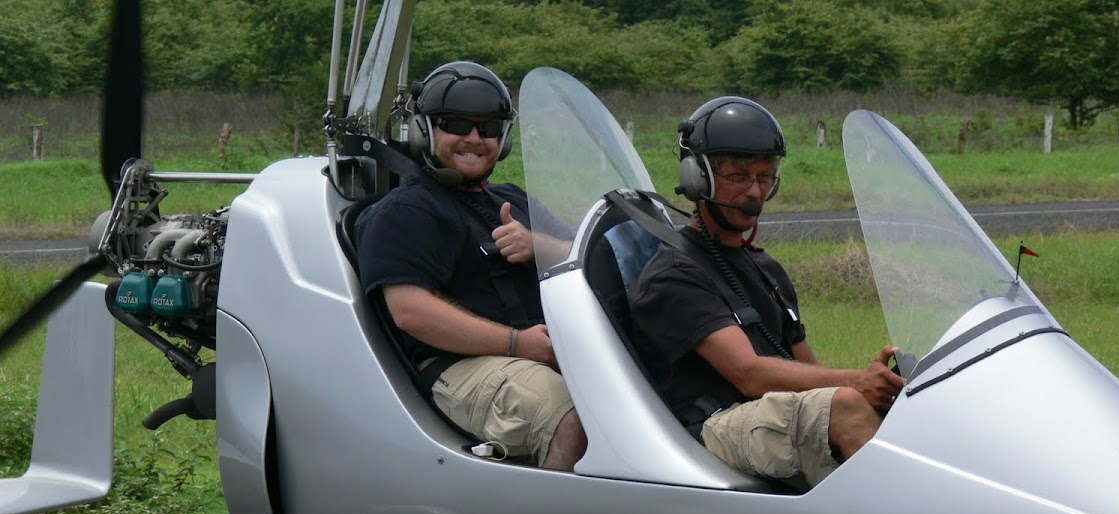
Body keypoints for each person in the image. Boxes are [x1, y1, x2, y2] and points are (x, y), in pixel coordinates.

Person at [628, 96, 903, 487]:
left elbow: (810, 369)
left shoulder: (764, 268)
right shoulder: (673, 274)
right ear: (698, 177)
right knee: (845, 405)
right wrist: (855, 382)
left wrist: (876, 385)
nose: (755, 191)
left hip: (767, 415)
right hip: (715, 426)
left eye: (765, 176)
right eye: (739, 176)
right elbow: (748, 373)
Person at [354, 61, 586, 471]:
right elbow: (411, 312)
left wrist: (538, 245)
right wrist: (519, 343)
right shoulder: (406, 211)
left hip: (544, 350)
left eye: (488, 128)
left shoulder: (510, 198)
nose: (474, 139)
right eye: (457, 125)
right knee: (571, 415)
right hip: (459, 366)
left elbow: (587, 253)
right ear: (424, 131)